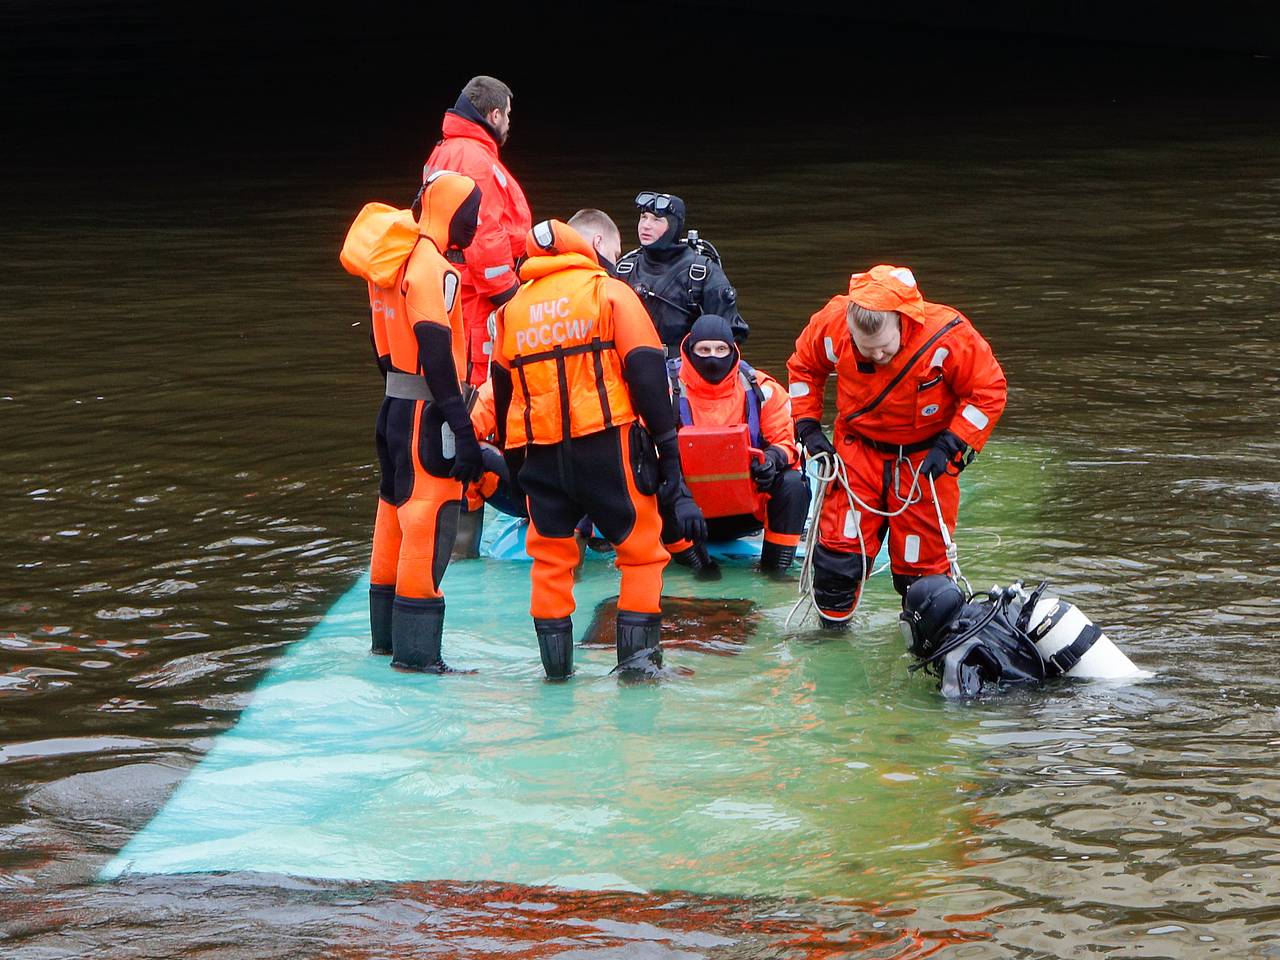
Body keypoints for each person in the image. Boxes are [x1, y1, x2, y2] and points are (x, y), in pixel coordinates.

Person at [490, 210, 707, 680]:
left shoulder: (511, 311)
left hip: (540, 457)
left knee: (550, 561)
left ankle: (556, 677)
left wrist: (515, 469)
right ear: (589, 250)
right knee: (641, 552)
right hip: (608, 447)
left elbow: (504, 396)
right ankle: (639, 670)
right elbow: (648, 375)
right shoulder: (609, 293)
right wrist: (669, 457)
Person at [786, 265, 1007, 629]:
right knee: (838, 559)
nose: (877, 357)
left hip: (923, 461)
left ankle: (922, 636)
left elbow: (988, 392)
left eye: (885, 348)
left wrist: (953, 444)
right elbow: (804, 368)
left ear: (902, 322)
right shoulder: (832, 325)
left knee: (923, 572)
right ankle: (831, 636)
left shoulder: (947, 336)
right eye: (866, 350)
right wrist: (807, 426)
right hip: (857, 452)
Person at [342, 171, 486, 672]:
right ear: (451, 211)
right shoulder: (434, 269)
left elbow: (384, 350)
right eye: (472, 213)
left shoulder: (391, 261)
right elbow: (435, 350)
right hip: (428, 412)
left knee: (392, 513)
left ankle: (385, 641)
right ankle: (419, 656)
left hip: (393, 406)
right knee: (428, 516)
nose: (477, 223)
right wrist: (461, 429)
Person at [664, 313, 810, 579]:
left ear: (733, 350)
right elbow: (645, 453)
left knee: (794, 482)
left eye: (721, 349)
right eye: (704, 350)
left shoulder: (762, 389)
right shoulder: (664, 390)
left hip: (746, 511)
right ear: (689, 349)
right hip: (686, 512)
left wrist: (772, 459)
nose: (712, 357)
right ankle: (698, 565)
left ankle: (776, 570)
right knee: (652, 479)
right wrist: (679, 495)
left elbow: (787, 441)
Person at [423, 75, 532, 386]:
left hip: (456, 282)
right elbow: (484, 234)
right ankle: (472, 432)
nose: (510, 122)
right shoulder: (473, 159)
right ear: (494, 115)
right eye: (508, 114)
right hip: (476, 293)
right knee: (477, 377)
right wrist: (510, 293)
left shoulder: (447, 150)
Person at [615, 192, 746, 353]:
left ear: (673, 225)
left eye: (656, 219)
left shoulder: (701, 272)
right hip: (632, 365)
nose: (646, 225)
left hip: (685, 369)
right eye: (644, 217)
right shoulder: (624, 270)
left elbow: (731, 333)